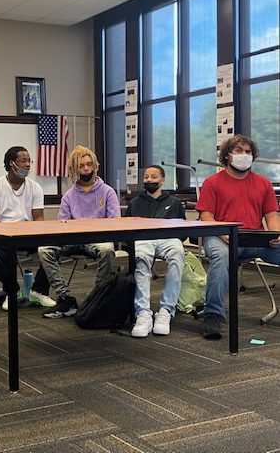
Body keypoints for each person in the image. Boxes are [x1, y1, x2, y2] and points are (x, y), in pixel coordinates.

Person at [196, 134, 280, 340]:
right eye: (239, 150)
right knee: (222, 257)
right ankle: (213, 316)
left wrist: (275, 234)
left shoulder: (263, 183)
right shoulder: (212, 182)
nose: (245, 155)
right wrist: (222, 232)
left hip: (255, 238)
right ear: (227, 155)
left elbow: (271, 215)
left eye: (248, 151)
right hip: (220, 236)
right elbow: (206, 216)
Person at [38, 146, 119, 318]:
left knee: (107, 249)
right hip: (73, 239)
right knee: (44, 249)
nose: (86, 169)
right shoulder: (68, 196)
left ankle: (97, 297)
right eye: (81, 166)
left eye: (89, 164)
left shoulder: (108, 192)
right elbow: (63, 224)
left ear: (95, 165)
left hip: (98, 239)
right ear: (75, 169)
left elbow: (114, 223)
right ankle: (65, 298)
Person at [0, 146, 54, 311]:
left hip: (28, 235)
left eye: (29, 161)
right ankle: (12, 292)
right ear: (11, 164)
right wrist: (8, 233)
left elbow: (39, 218)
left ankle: (38, 291)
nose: (28, 165)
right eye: (23, 161)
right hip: (4, 236)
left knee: (52, 246)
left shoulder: (35, 188)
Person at [126, 165, 185, 337]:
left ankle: (166, 310)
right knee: (140, 258)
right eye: (146, 177)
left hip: (168, 238)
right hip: (144, 239)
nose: (149, 180)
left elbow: (182, 230)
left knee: (178, 254)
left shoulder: (174, 202)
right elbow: (127, 228)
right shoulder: (135, 202)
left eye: (153, 177)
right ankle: (143, 313)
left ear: (162, 180)